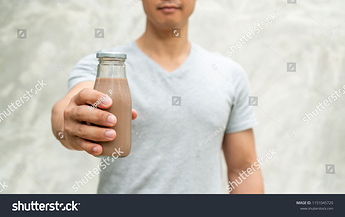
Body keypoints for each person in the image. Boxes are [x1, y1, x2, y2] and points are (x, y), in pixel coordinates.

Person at [51, 0, 264, 194]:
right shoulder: (105, 65)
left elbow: (243, 169)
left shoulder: (228, 74)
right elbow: (66, 109)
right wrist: (69, 125)